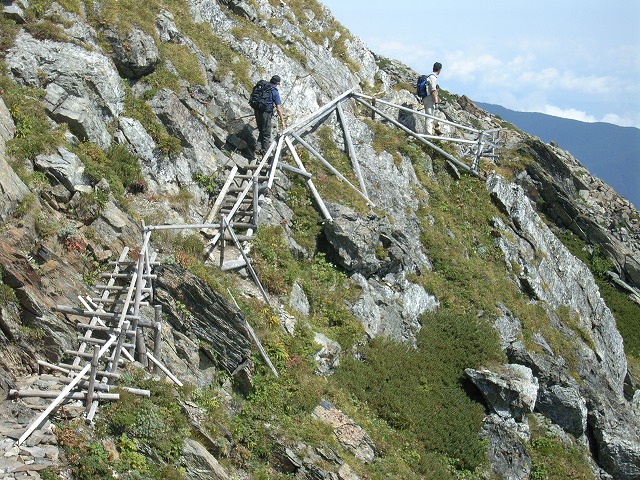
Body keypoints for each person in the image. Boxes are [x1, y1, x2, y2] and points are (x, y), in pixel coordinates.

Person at [254, 75, 286, 154]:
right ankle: (265, 154)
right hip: (266, 113)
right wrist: (282, 121)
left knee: (261, 130)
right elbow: (278, 108)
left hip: (257, 110)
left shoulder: (263, 86)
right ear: (277, 83)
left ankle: (258, 148)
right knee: (266, 134)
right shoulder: (274, 91)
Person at [422, 62, 442, 135]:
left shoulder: (430, 76)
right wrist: (436, 103)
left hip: (427, 98)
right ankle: (428, 135)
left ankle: (428, 134)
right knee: (429, 117)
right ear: (439, 70)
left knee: (429, 117)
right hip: (429, 99)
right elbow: (433, 91)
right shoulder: (433, 77)